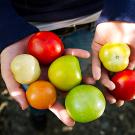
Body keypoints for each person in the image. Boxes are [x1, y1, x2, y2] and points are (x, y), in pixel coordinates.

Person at [1, 0, 135, 127]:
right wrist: (9, 30)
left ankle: (38, 111)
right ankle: (38, 112)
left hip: (95, 22)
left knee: (84, 66)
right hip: (27, 27)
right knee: (33, 91)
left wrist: (121, 10)